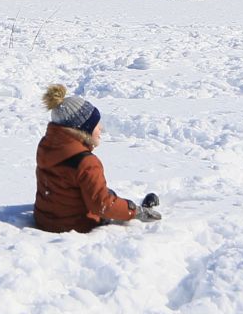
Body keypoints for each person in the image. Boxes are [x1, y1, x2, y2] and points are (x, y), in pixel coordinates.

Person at [33, 84, 159, 233]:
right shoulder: (86, 163)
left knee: (104, 192)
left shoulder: (48, 148)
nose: (101, 128)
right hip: (75, 226)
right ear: (83, 129)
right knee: (108, 198)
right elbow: (101, 205)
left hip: (44, 220)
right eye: (96, 124)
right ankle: (133, 209)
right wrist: (134, 211)